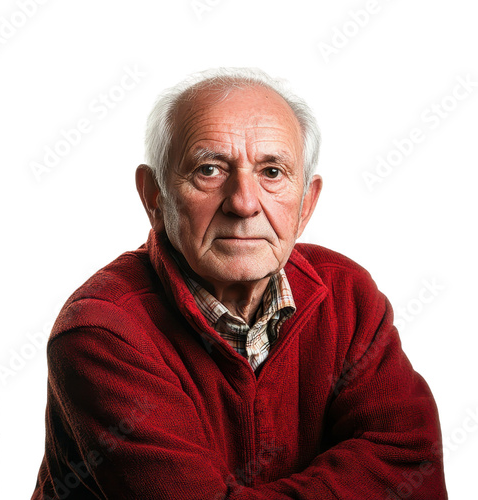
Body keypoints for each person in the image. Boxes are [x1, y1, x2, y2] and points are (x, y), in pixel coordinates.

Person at [31, 67, 447, 499]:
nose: (244, 203)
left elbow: (413, 468)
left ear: (306, 204)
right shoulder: (102, 332)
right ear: (154, 198)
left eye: (272, 172)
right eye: (209, 169)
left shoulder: (349, 295)